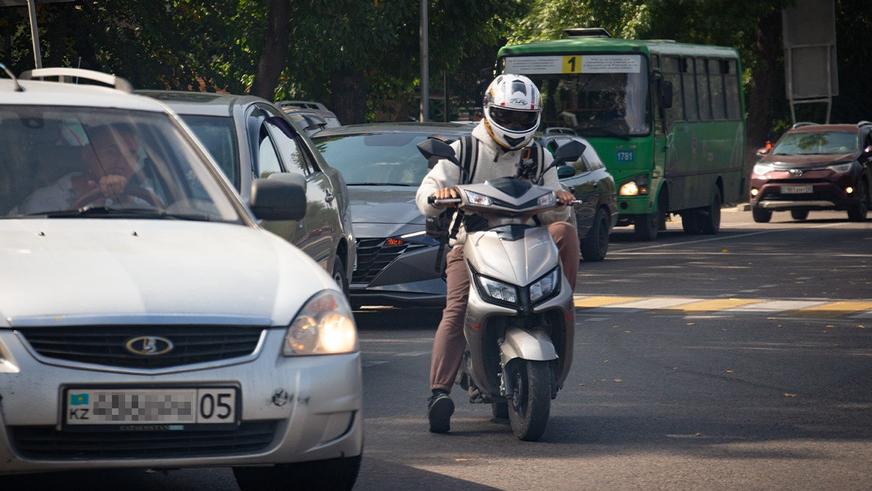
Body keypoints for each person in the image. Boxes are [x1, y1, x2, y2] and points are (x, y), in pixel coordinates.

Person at [416, 74, 581, 433]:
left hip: (529, 244)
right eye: (508, 117)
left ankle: (561, 304)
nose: (516, 126)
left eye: (523, 120)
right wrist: (439, 196)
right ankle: (439, 393)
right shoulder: (464, 150)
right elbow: (428, 192)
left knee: (565, 231)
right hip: (472, 243)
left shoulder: (539, 155)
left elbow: (554, 206)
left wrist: (561, 199)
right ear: (489, 111)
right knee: (459, 307)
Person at [17, 124, 156, 214]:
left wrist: (126, 201)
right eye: (112, 152)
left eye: (130, 156)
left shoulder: (145, 199)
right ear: (88, 154)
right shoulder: (47, 201)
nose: (122, 163)